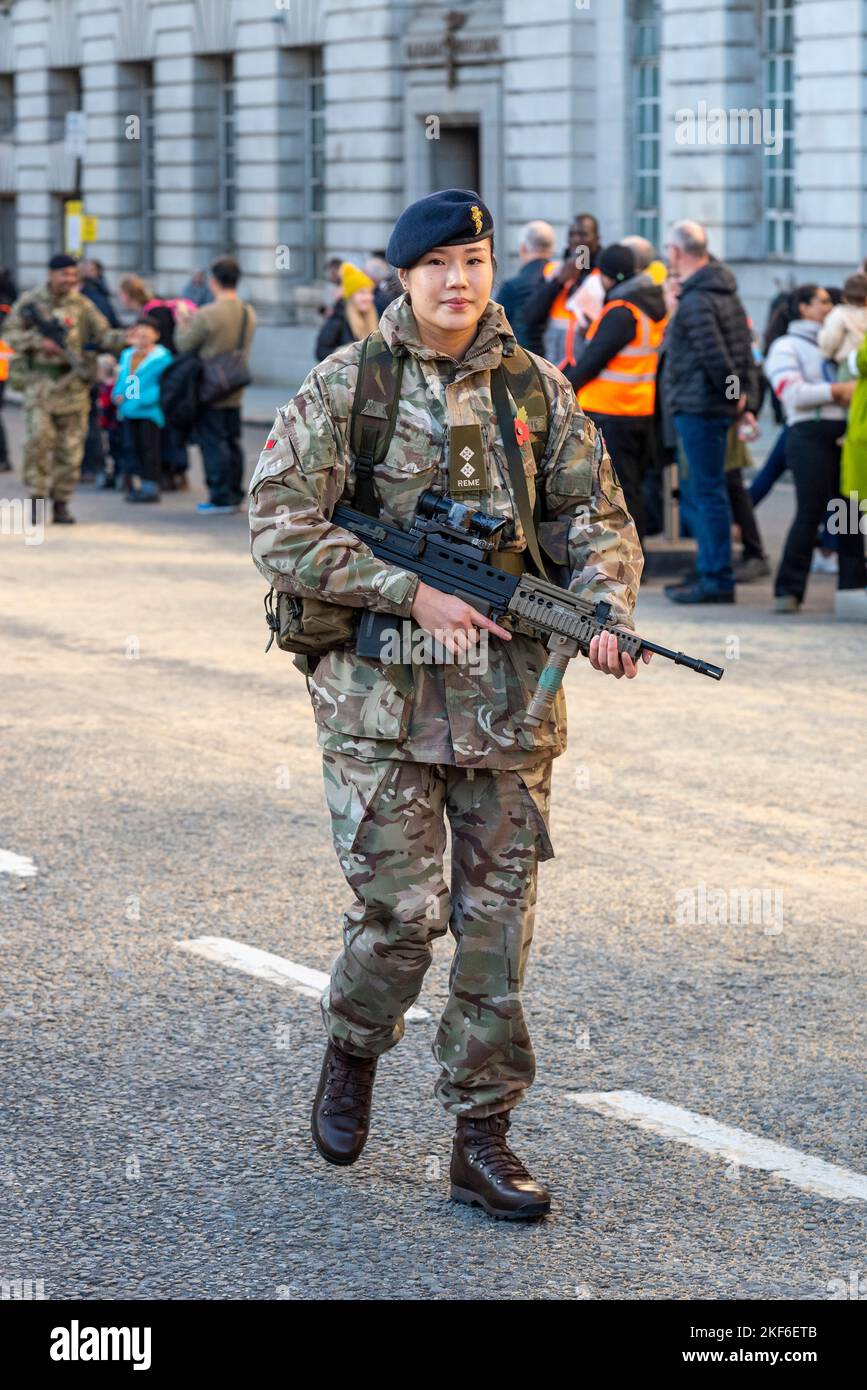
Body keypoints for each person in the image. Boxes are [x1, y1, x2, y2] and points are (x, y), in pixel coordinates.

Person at [248, 187, 648, 1222]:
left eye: (472, 260)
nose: (459, 281)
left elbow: (595, 515)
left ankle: (483, 1135)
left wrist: (602, 613)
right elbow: (278, 522)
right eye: (438, 266)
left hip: (508, 707)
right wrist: (406, 587)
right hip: (379, 703)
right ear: (404, 277)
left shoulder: (536, 388)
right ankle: (352, 1045)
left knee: (494, 925)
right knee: (399, 917)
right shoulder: (351, 385)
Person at [661, 220, 759, 603]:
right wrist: (744, 400)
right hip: (712, 406)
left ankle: (716, 577)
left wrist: (731, 395)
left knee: (705, 492)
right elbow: (743, 350)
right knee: (709, 490)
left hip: (699, 406)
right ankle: (709, 569)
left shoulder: (698, 299)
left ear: (677, 252)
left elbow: (714, 354)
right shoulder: (724, 291)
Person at [764, 285, 864, 617]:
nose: (829, 306)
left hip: (844, 435)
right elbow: (790, 392)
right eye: (821, 301)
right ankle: (788, 592)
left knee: (849, 510)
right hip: (808, 434)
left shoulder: (837, 341)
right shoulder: (786, 346)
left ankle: (851, 589)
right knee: (810, 512)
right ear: (803, 308)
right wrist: (836, 391)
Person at [4, 253, 126, 523]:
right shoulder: (31, 302)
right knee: (38, 442)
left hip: (73, 386)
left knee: (70, 449)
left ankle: (61, 503)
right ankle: (36, 500)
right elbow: (9, 334)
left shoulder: (82, 305)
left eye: (73, 275)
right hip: (41, 385)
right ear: (51, 274)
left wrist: (125, 337)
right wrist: (38, 341)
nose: (69, 280)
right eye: (64, 275)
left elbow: (103, 334)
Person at [564, 242, 667, 545]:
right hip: (638, 409)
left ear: (608, 277)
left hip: (610, 410)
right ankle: (636, 550)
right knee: (631, 486)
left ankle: (628, 553)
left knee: (616, 489)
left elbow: (593, 360)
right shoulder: (651, 305)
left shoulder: (622, 312)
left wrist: (563, 387)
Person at [175, 254, 257, 514]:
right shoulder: (248, 311)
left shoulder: (208, 314)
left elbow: (184, 344)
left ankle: (219, 496)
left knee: (212, 441)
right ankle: (234, 494)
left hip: (211, 387)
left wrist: (182, 321)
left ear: (213, 281)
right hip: (235, 384)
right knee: (233, 440)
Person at [522, 213, 603, 367]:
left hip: (587, 367)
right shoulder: (553, 271)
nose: (577, 240)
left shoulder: (603, 275)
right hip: (555, 365)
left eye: (583, 234)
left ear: (596, 238)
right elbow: (530, 316)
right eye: (572, 234)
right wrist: (558, 282)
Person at [113, 316, 173, 503]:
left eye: (146, 334)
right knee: (131, 448)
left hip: (150, 412)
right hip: (129, 411)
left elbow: (160, 386)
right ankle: (135, 483)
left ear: (156, 336)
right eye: (139, 334)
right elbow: (127, 379)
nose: (142, 338)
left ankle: (150, 486)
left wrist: (138, 399)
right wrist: (118, 394)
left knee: (150, 450)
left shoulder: (162, 358)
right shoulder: (128, 355)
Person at [496, 220, 557, 354]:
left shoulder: (512, 287)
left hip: (522, 364)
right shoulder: (560, 284)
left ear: (523, 248)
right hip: (556, 365)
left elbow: (494, 331)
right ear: (552, 249)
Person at [315, 263, 378, 360]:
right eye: (362, 293)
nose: (368, 297)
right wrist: (344, 352)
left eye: (370, 293)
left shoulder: (375, 318)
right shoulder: (338, 320)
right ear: (351, 296)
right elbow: (321, 352)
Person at [818, 272, 867, 381]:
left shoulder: (839, 314)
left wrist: (826, 353)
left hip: (847, 365)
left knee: (846, 395)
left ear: (844, 297)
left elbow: (831, 339)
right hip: (864, 362)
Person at [77, 258, 120, 327]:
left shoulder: (95, 287)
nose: (88, 272)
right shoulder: (94, 286)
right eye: (86, 269)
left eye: (91, 270)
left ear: (99, 271)